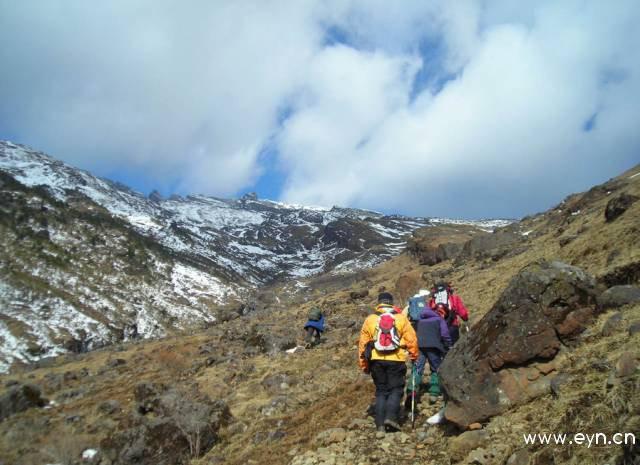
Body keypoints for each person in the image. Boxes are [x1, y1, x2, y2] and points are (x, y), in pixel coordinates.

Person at [358, 292, 418, 433]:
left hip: (376, 360)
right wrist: (414, 356)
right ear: (391, 303)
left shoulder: (370, 319)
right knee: (396, 389)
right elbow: (412, 339)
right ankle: (391, 418)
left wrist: (364, 365)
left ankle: (379, 424)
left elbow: (363, 344)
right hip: (396, 359)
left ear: (379, 303)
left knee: (381, 391)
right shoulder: (400, 318)